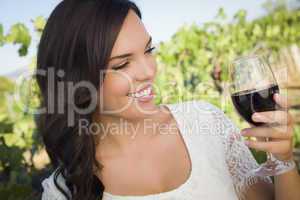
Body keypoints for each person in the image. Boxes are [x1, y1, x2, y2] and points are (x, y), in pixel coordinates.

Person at [36, 0, 300, 199]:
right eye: (122, 65)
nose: (150, 71)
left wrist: (284, 160)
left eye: (149, 50)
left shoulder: (205, 121)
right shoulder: (64, 191)